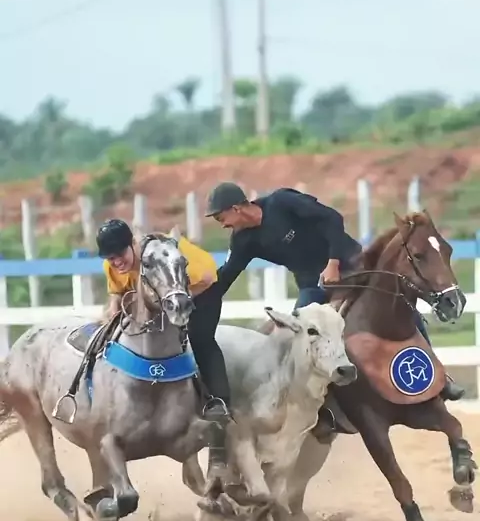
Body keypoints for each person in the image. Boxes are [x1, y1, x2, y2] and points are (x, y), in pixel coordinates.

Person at [205, 182, 464, 404]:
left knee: (402, 305)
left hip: (353, 263)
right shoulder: (243, 240)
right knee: (301, 331)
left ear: (236, 209)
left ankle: (440, 378)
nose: (222, 225)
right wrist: (200, 295)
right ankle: (319, 404)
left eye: (220, 218)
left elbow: (332, 219)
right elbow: (226, 275)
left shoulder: (282, 202)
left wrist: (333, 262)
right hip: (312, 283)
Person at [96, 219, 233, 424]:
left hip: (202, 287)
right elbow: (117, 295)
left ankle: (217, 399)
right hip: (163, 294)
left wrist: (172, 302)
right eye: (110, 257)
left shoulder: (162, 257)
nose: (117, 262)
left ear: (133, 244)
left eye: (121, 254)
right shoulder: (111, 266)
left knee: (199, 338)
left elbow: (206, 279)